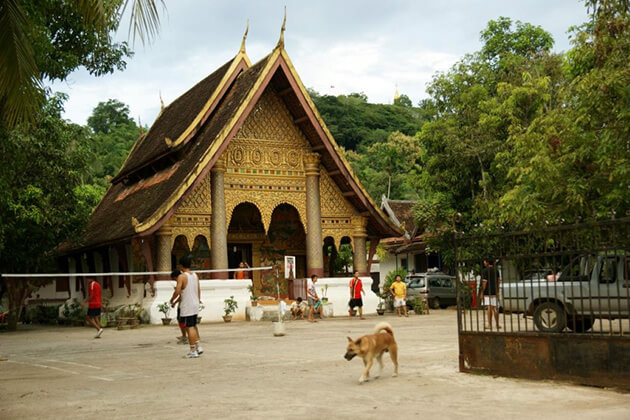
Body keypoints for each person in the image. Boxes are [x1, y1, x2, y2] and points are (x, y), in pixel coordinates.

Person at [170, 255, 203, 358]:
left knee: (189, 327)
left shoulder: (182, 276)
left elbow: (178, 290)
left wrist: (172, 299)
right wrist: (198, 300)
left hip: (187, 304)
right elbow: (198, 290)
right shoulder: (195, 275)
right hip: (194, 303)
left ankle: (193, 350)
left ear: (181, 265)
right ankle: (198, 346)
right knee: (193, 325)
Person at [480, 259, 501, 330]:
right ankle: (497, 324)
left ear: (487, 262)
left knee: (489, 307)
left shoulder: (485, 271)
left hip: (487, 291)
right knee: (495, 308)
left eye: (485, 261)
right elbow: (498, 281)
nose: (484, 262)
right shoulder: (496, 271)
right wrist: (498, 291)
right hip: (494, 291)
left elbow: (484, 282)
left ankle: (489, 324)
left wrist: (482, 292)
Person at [170, 270, 188, 344]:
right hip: (185, 304)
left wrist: (172, 300)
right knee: (183, 321)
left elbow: (178, 293)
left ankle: (185, 336)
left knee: (182, 321)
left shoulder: (181, 281)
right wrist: (175, 302)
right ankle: (184, 335)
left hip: (183, 305)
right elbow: (181, 296)